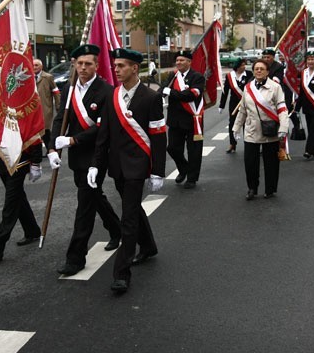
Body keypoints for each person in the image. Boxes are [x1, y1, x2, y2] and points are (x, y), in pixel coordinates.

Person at [89, 48, 166, 294]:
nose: (117, 69)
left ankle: (121, 273)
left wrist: (158, 171)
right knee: (133, 208)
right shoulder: (111, 97)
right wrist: (95, 164)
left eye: (121, 65)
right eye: (115, 66)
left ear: (135, 68)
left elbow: (158, 136)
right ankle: (149, 246)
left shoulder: (150, 97)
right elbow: (104, 136)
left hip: (138, 166)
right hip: (117, 166)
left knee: (128, 217)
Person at [49, 44, 122, 277]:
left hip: (97, 156)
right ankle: (116, 229)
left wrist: (71, 141)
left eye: (88, 63)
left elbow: (102, 130)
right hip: (78, 159)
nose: (83, 68)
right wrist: (51, 147)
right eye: (79, 63)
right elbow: (60, 119)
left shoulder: (106, 91)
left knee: (85, 206)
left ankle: (76, 258)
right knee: (93, 197)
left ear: (96, 65)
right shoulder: (69, 89)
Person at [0, 130, 43, 262]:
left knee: (10, 205)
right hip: (0, 162)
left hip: (18, 160)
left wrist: (36, 162)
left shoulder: (16, 109)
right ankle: (32, 231)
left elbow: (31, 130)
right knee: (18, 198)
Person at [232, 59, 289, 199]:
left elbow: (282, 109)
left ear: (267, 72)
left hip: (270, 129)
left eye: (261, 69)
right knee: (250, 162)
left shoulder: (275, 87)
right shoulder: (248, 87)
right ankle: (252, 188)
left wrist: (283, 127)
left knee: (271, 162)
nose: (258, 71)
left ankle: (270, 189)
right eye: (256, 69)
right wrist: (236, 128)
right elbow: (243, 110)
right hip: (251, 130)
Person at [162, 50, 204, 189]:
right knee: (172, 148)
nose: (179, 63)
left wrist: (171, 92)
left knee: (194, 151)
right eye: (177, 60)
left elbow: (190, 95)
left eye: (182, 60)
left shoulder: (197, 77)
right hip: (175, 120)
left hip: (192, 120)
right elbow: (162, 90)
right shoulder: (172, 76)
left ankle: (192, 178)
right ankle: (183, 168)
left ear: (189, 62)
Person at [218, 58, 253, 153]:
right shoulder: (230, 76)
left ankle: (248, 143)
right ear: (237, 67)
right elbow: (225, 92)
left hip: (247, 103)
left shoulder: (249, 74)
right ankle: (232, 144)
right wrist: (222, 105)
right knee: (232, 123)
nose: (244, 66)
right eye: (242, 65)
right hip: (234, 104)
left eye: (244, 65)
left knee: (247, 123)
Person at [34, 59, 61, 154]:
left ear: (41, 67)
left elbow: (56, 92)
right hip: (33, 109)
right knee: (35, 131)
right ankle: (37, 151)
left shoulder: (48, 77)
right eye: (33, 65)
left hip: (45, 108)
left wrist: (58, 107)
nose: (34, 67)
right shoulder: (28, 77)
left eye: (36, 65)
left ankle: (51, 149)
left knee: (45, 130)